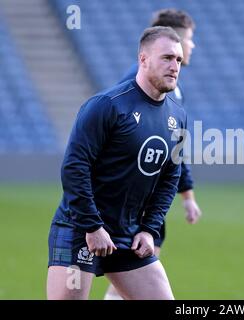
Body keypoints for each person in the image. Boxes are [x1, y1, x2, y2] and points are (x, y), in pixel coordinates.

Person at [47, 26, 186, 300]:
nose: (175, 66)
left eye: (179, 60)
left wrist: (149, 229)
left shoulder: (178, 116)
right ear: (143, 59)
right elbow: (75, 167)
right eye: (167, 58)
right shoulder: (107, 105)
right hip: (80, 230)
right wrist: (92, 226)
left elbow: (170, 176)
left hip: (129, 237)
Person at [104, 9, 201, 300]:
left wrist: (187, 194)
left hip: (146, 190)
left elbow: (171, 147)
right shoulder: (136, 87)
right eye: (190, 39)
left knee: (132, 272)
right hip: (134, 192)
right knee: (136, 268)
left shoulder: (171, 88)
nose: (192, 46)